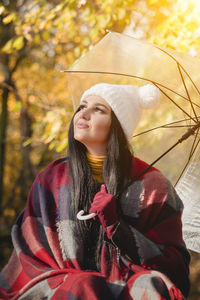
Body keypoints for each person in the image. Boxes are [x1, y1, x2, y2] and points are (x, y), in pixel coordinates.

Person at [0, 83, 190, 300]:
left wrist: (117, 226)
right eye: (82, 106)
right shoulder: (52, 177)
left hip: (125, 280)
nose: (84, 113)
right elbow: (31, 249)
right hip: (59, 280)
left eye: (98, 109)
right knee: (84, 285)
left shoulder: (153, 184)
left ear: (117, 125)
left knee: (150, 287)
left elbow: (175, 267)